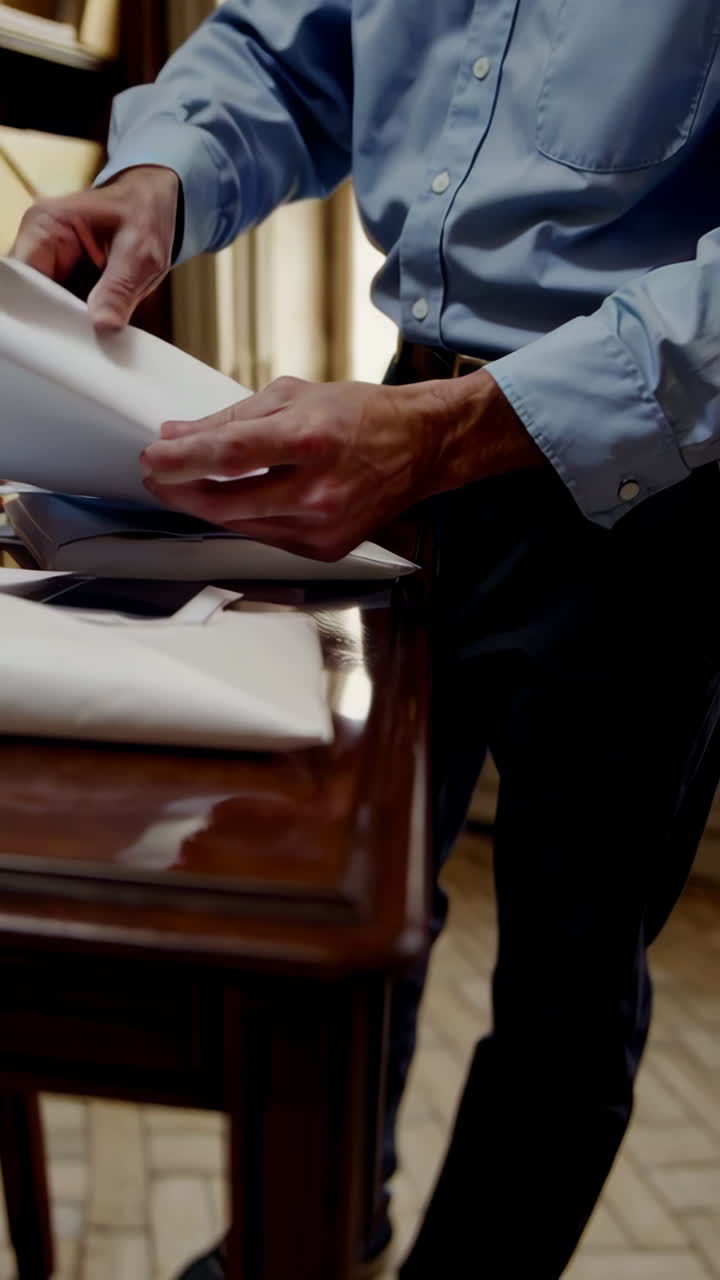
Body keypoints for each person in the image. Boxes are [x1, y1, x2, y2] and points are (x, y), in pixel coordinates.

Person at [12, 4, 720, 1276]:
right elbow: (292, 50)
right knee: (364, 889)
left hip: (661, 478)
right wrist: (161, 172)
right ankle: (335, 1219)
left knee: (573, 969)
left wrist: (458, 429)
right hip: (403, 421)